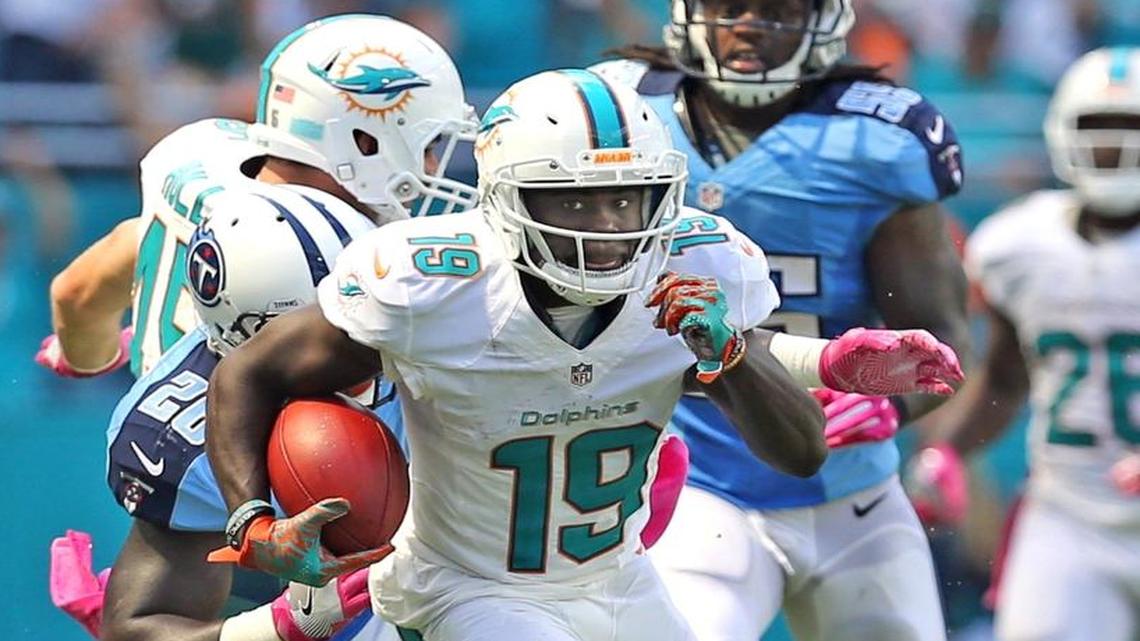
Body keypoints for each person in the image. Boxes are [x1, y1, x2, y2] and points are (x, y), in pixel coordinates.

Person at [202, 68, 962, 641]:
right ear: (505, 198)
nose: (606, 227)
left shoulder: (695, 270)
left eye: (626, 198)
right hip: (468, 587)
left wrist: (748, 356)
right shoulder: (433, 287)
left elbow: (802, 453)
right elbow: (250, 372)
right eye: (572, 199)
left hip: (618, 578)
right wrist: (250, 520)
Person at [591, 1, 972, 639]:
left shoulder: (881, 139)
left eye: (778, 9)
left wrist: (890, 408)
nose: (749, 25)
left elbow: (944, 338)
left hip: (852, 491)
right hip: (696, 481)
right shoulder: (623, 116)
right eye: (730, 6)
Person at [35, 12, 478, 379]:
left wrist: (90, 355)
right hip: (252, 461)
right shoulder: (340, 258)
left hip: (151, 444)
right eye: (430, 144)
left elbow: (77, 292)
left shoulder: (200, 165)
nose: (432, 166)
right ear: (363, 143)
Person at [920, 47, 1140, 641]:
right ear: (1063, 132)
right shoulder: (1019, 244)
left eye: (1130, 128)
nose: (1114, 147)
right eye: (1097, 128)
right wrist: (948, 451)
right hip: (1070, 513)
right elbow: (1007, 375)